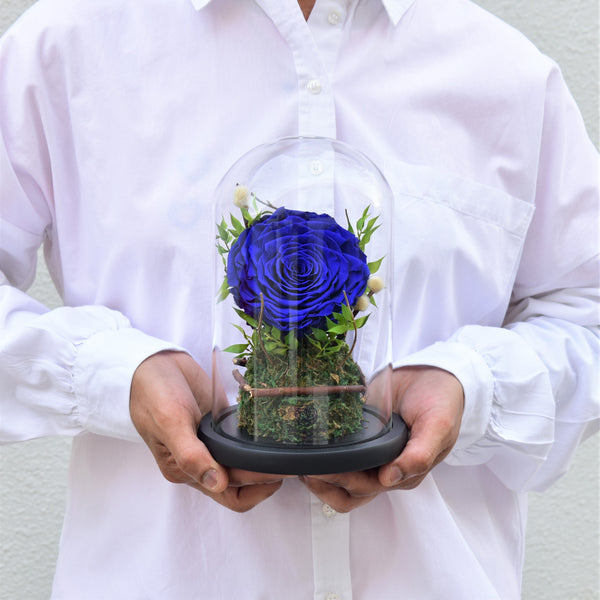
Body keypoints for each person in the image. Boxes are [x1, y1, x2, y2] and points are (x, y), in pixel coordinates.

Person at [0, 0, 598, 598]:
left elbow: (586, 311)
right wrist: (108, 374)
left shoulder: (506, 72)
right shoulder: (66, 48)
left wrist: (473, 386)